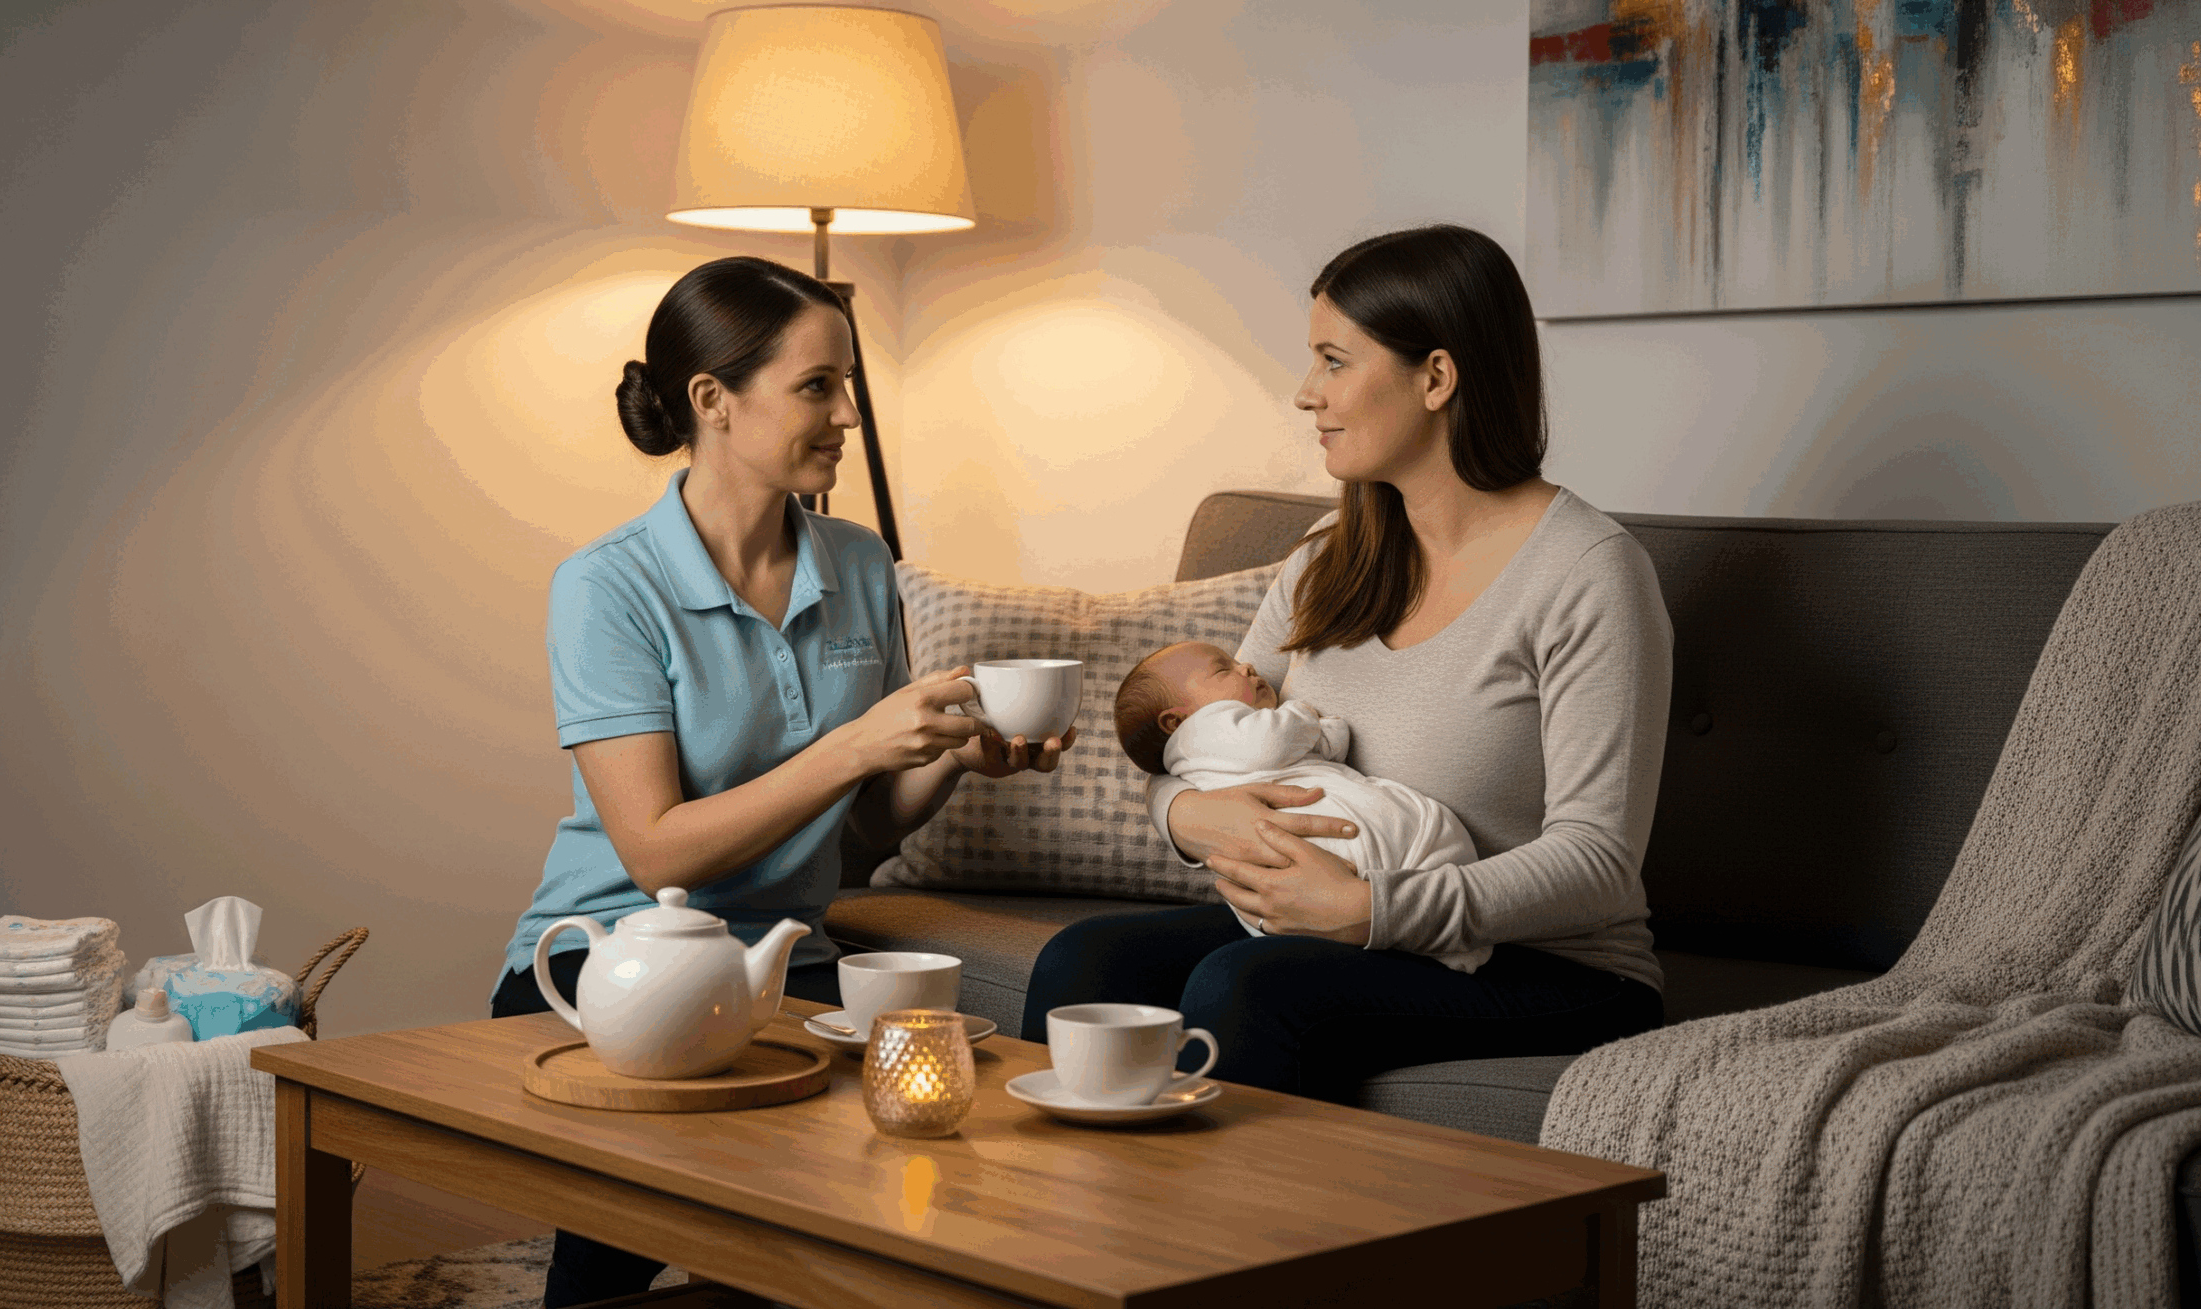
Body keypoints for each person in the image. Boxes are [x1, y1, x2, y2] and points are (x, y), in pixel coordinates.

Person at [491, 255, 1073, 1308]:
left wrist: (947, 755)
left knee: (844, 1234)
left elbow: (857, 840)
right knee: (629, 1236)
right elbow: (656, 851)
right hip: (612, 958)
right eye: (817, 386)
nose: (848, 413)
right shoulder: (607, 586)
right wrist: (854, 747)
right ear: (712, 399)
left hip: (785, 958)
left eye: (847, 385)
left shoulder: (860, 562)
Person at [1023, 224, 1673, 1107]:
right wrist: (1189, 814)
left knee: (1247, 987)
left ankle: (1229, 1209)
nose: (1306, 393)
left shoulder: (1588, 573)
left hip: (1550, 965)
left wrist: (1369, 909)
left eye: (1334, 361)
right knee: (1083, 961)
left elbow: (1598, 862)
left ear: (1436, 378)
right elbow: (1200, 748)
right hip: (1334, 926)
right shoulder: (1330, 555)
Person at [1110, 640, 1480, 962]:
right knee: (1431, 832)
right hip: (1334, 855)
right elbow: (1271, 740)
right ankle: (1447, 945)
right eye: (1224, 669)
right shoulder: (1205, 729)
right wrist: (1306, 716)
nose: (1246, 665)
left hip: (1298, 893)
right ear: (1175, 723)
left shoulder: (1204, 751)